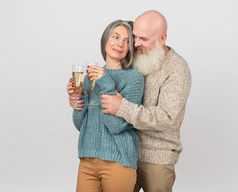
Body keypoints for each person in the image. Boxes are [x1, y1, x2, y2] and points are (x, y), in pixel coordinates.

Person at [100, 10, 192, 192]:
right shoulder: (133, 57)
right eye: (134, 37)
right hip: (124, 151)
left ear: (162, 38)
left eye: (143, 39)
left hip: (157, 158)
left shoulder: (177, 69)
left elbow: (167, 118)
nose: (135, 43)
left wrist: (122, 108)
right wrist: (80, 98)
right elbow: (110, 83)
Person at [66, 20, 144, 192]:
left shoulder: (134, 78)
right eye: (116, 36)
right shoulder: (89, 76)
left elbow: (116, 126)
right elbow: (82, 125)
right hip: (88, 158)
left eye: (127, 41)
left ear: (131, 48)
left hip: (118, 161)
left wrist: (105, 82)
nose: (120, 44)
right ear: (105, 39)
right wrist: (78, 98)